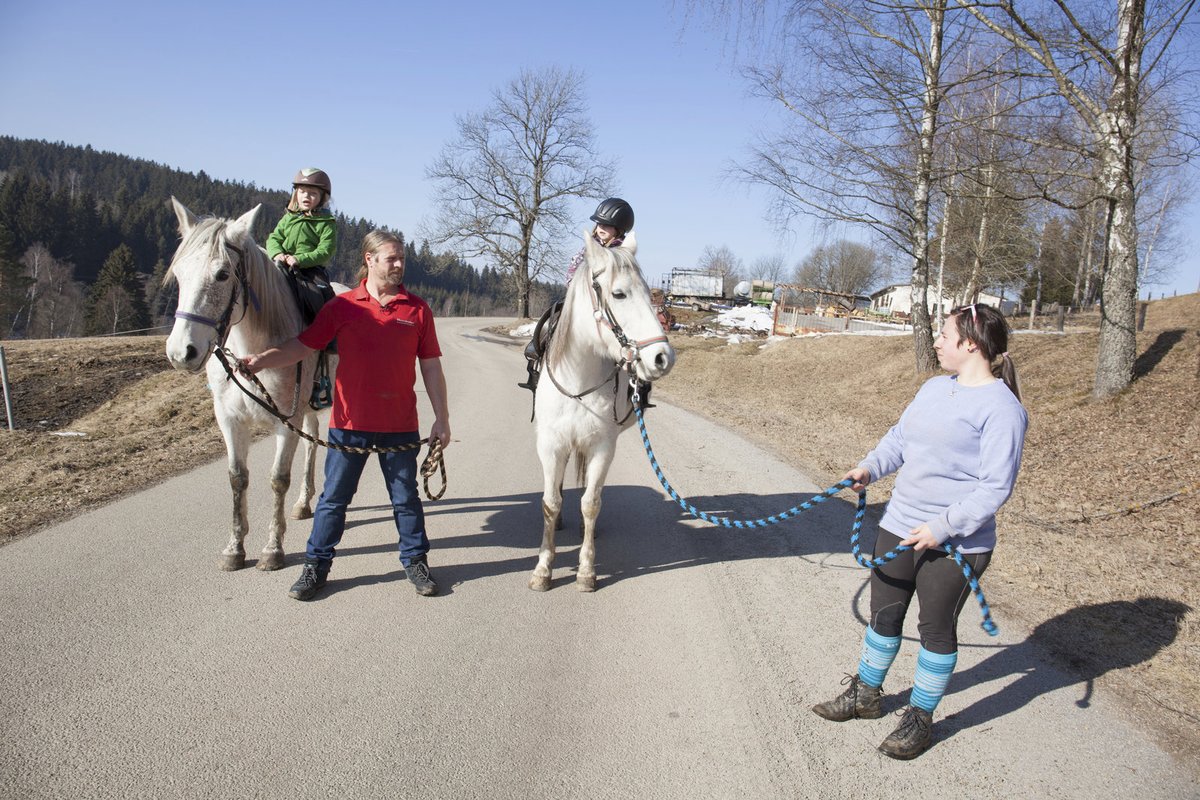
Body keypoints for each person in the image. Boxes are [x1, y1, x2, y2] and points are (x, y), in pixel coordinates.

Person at [811, 303, 1027, 760]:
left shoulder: (1002, 409)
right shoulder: (933, 387)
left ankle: (920, 718)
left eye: (943, 334)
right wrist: (871, 467)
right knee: (884, 615)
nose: (935, 340)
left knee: (935, 630)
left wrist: (943, 527)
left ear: (971, 343)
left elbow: (995, 487)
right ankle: (866, 697)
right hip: (899, 525)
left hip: (957, 542)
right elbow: (899, 440)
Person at [239, 230, 450, 600]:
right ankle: (315, 567)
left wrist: (442, 418)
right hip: (347, 428)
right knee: (334, 501)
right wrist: (260, 361)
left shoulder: (417, 309)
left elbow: (431, 366)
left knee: (406, 500)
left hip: (399, 427)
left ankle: (416, 562)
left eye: (402, 258)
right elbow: (301, 346)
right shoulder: (343, 306)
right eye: (391, 258)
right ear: (369, 259)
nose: (399, 264)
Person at [518, 197, 646, 395]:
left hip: (606, 306)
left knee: (629, 340)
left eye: (608, 225)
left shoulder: (620, 253)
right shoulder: (588, 247)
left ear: (619, 230)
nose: (601, 227)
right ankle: (537, 361)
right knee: (551, 320)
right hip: (579, 301)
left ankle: (637, 387)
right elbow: (571, 270)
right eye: (599, 222)